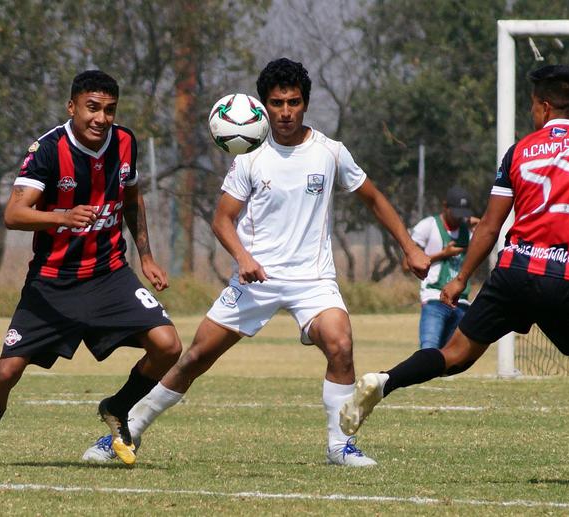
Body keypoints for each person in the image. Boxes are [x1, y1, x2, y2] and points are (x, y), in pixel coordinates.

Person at [82, 57, 430, 467]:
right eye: (277, 103)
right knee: (194, 358)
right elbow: (222, 220)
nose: (286, 112)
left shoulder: (329, 153)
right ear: (264, 106)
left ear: (305, 104)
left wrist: (409, 246)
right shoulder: (249, 156)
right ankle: (128, 430)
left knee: (341, 345)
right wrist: (243, 257)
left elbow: (373, 197)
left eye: (294, 102)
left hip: (312, 280)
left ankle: (340, 447)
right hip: (254, 280)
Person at [340, 65, 569, 486]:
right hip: (565, 278)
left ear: (545, 106)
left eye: (533, 105)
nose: (532, 112)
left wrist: (460, 281)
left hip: (511, 272)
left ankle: (385, 381)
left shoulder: (519, 151)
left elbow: (491, 228)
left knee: (454, 356)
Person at [0, 70, 182, 467]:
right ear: (72, 107)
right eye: (92, 108)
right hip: (53, 283)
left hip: (110, 275)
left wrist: (145, 257)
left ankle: (117, 407)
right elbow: (13, 214)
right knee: (7, 373)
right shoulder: (48, 150)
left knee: (169, 345)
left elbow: (131, 199)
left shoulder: (125, 141)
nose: (101, 118)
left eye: (109, 110)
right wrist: (61, 215)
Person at [409, 186, 474, 349]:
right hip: (434, 298)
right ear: (445, 207)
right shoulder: (429, 226)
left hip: (461, 301)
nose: (459, 219)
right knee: (429, 349)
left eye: (463, 215)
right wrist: (444, 253)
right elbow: (407, 263)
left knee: (451, 358)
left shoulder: (469, 231)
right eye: (456, 213)